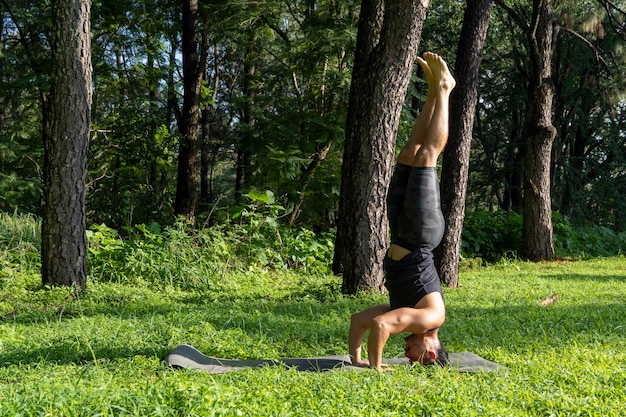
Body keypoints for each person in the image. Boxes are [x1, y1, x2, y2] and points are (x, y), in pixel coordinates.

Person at [348, 52, 456, 371]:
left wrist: (357, 358)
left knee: (409, 153)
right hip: (420, 233)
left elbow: (361, 321)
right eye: (414, 358)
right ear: (430, 352)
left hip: (401, 232)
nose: (406, 355)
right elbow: (382, 326)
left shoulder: (404, 309)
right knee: (426, 157)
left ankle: (433, 90)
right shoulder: (429, 318)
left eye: (405, 358)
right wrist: (376, 367)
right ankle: (445, 90)